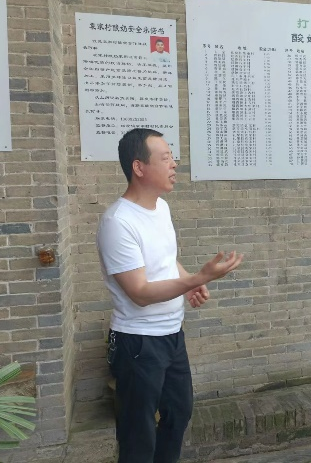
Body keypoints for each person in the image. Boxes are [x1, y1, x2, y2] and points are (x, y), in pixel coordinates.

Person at [97, 128, 243, 463]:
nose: (174, 164)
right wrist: (199, 277)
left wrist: (188, 281)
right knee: (138, 435)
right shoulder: (117, 222)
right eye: (165, 158)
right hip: (138, 343)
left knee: (179, 412)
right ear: (139, 167)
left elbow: (165, 260)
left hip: (172, 335)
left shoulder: (160, 208)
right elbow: (139, 292)